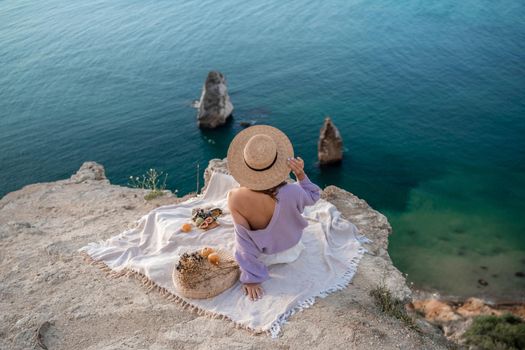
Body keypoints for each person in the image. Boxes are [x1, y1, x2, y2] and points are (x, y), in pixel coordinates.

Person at [226, 125, 321, 301]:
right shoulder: (293, 192)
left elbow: (243, 244)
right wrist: (300, 174)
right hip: (293, 249)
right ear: (278, 164)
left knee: (239, 236)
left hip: (266, 256)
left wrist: (252, 278)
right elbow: (314, 195)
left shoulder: (235, 198)